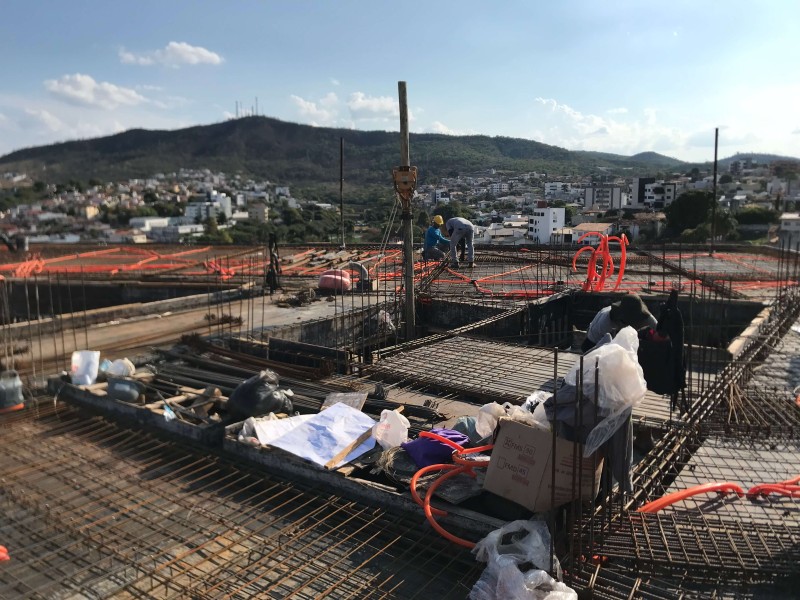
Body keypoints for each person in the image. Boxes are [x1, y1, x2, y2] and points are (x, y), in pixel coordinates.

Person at [582, 294, 657, 352]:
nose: (629, 325)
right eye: (627, 322)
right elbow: (593, 349)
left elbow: (658, 329)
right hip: (594, 343)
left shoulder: (644, 316)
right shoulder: (605, 323)